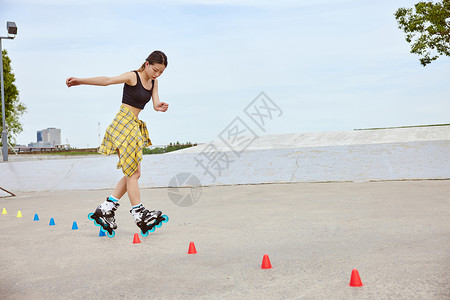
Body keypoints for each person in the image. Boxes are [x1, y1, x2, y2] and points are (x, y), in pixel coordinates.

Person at [66, 50, 169, 235]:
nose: (157, 74)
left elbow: (154, 103)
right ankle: (138, 212)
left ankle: (106, 208)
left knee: (133, 173)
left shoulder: (154, 82)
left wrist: (158, 107)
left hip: (133, 126)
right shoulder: (132, 76)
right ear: (147, 64)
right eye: (155, 69)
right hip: (123, 124)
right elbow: (107, 80)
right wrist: (81, 80)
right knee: (134, 173)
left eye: (161, 72)